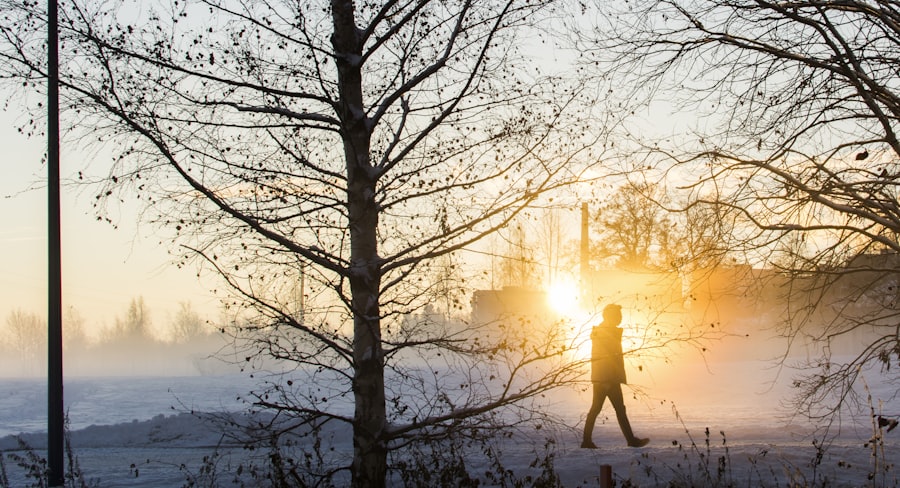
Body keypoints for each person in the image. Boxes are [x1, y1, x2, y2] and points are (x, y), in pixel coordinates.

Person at [581, 303, 649, 448]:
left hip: (605, 377)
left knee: (603, 409)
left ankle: (587, 441)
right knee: (610, 409)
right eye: (618, 315)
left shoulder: (605, 331)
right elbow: (604, 358)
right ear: (610, 316)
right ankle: (630, 440)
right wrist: (607, 379)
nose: (620, 318)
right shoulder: (605, 333)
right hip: (607, 378)